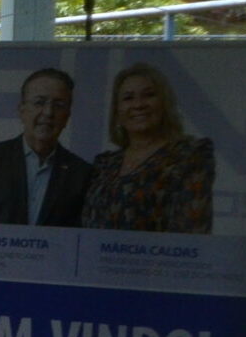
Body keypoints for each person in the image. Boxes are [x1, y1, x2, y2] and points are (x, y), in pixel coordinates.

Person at [79, 63, 215, 233]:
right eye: (128, 98)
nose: (138, 105)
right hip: (93, 257)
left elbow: (192, 231)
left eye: (148, 95)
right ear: (118, 110)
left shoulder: (189, 155)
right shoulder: (105, 164)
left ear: (164, 103)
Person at [0, 68, 92, 226]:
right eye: (39, 103)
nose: (48, 112)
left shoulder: (81, 173)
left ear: (68, 115)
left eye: (59, 105)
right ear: (22, 109)